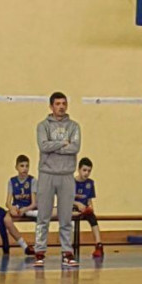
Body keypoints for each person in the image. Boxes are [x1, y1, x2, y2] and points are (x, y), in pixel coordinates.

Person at [35, 92, 82, 268]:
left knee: (66, 217)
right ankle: (39, 252)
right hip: (46, 174)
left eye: (64, 103)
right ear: (51, 106)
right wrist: (63, 143)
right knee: (43, 216)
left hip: (66, 175)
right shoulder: (43, 126)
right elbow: (43, 145)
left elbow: (75, 147)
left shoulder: (74, 127)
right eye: (57, 104)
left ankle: (67, 252)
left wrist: (54, 146)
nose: (61, 107)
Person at [73, 157, 104, 259]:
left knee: (93, 218)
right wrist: (77, 204)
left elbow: (89, 200)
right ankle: (68, 248)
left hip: (84, 209)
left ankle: (98, 244)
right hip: (72, 208)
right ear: (79, 169)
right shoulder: (71, 182)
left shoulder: (90, 183)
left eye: (89, 171)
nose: (86, 173)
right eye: (84, 170)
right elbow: (66, 199)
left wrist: (90, 208)